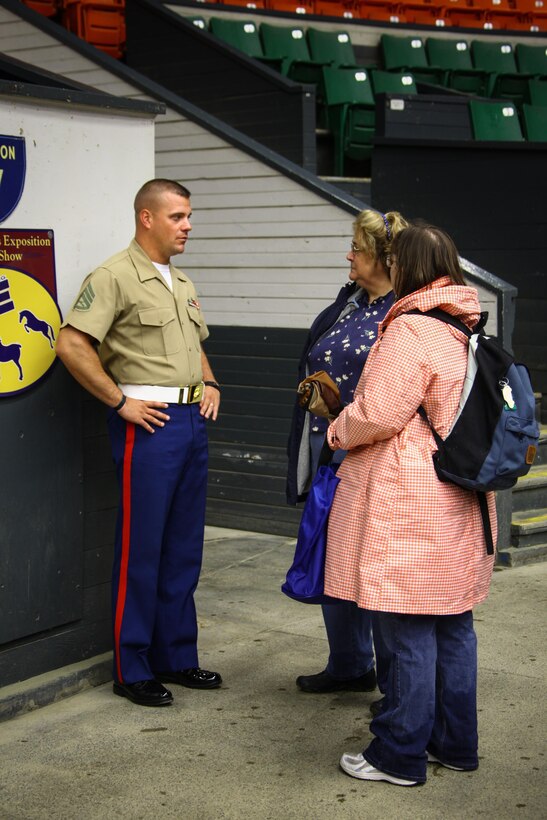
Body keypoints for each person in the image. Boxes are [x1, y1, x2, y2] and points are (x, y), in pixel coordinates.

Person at [324, 224, 496, 786]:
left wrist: (336, 428)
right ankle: (455, 744)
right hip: (461, 495)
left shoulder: (411, 331)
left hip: (412, 501)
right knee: (453, 627)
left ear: (407, 267)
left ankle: (397, 753)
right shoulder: (464, 327)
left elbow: (378, 413)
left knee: (407, 630)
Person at [56, 179, 222, 708]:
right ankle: (131, 667)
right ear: (146, 218)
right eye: (177, 216)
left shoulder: (182, 281)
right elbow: (71, 343)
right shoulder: (113, 277)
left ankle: (177, 655)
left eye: (189, 216)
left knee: (183, 548)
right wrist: (118, 402)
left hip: (191, 421)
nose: (188, 226)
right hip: (147, 425)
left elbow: (195, 345)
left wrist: (211, 383)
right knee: (141, 549)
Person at [286, 209, 408, 696]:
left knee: (370, 565)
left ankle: (394, 680)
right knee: (328, 553)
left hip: (368, 451)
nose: (348, 256)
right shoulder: (350, 303)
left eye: (356, 249)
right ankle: (350, 665)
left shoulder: (402, 313)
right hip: (325, 445)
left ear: (381, 258)